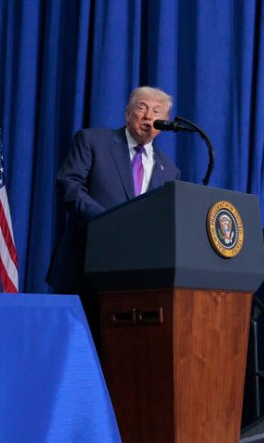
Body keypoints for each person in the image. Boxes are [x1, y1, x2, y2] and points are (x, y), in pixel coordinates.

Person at [48, 86, 181, 299]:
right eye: (142, 107)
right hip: (84, 267)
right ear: (127, 113)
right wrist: (106, 223)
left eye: (157, 112)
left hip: (134, 280)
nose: (148, 116)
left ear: (164, 123)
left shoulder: (170, 170)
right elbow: (68, 186)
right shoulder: (93, 141)